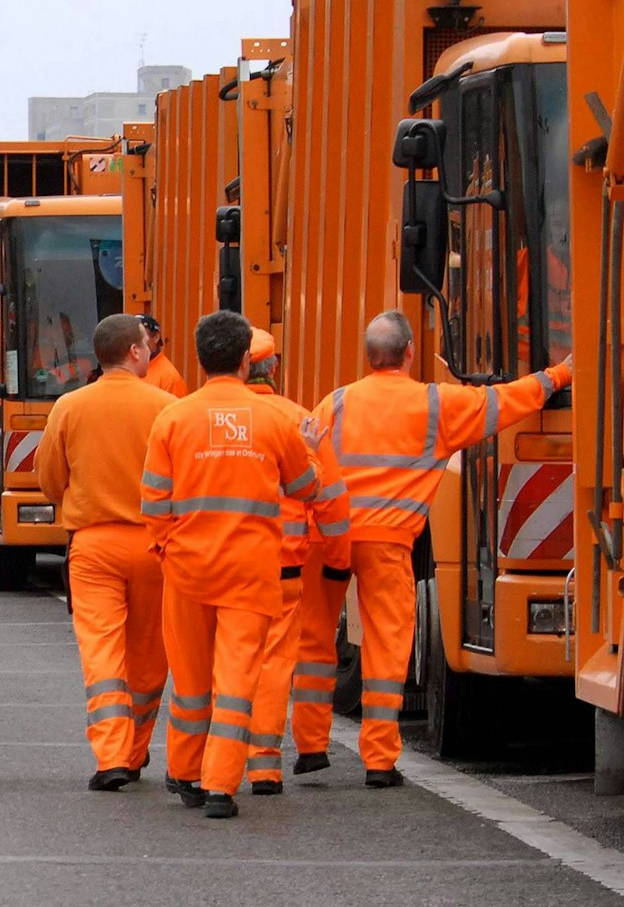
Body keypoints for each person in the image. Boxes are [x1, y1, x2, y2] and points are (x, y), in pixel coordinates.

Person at [304, 310, 570, 787]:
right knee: (387, 646)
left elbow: (311, 462)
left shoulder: (336, 402)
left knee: (315, 640)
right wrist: (560, 373)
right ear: (409, 352)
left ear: (369, 357)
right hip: (386, 541)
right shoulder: (435, 404)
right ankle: (379, 762)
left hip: (329, 537)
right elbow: (505, 401)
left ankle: (308, 746)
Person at [141, 311, 345, 819]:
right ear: (245, 360)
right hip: (254, 571)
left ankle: (185, 773)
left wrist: (168, 547)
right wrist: (314, 459)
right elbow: (306, 490)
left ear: (199, 358)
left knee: (190, 681)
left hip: (188, 569)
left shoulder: (173, 419)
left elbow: (153, 504)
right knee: (237, 680)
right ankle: (220, 787)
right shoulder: (275, 421)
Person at [36, 314, 176, 791]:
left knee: (102, 652)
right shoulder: (166, 407)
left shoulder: (70, 407)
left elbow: (50, 478)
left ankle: (111, 756)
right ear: (134, 352)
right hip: (156, 545)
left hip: (93, 546)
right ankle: (135, 752)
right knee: (148, 655)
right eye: (147, 345)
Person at [241, 330, 351, 795]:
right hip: (283, 567)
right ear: (274, 367)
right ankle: (267, 764)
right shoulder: (300, 422)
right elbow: (330, 500)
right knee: (276, 663)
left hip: (217, 566)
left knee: (222, 663)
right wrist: (339, 562)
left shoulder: (196, 416)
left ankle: (201, 767)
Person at [138, 314, 189, 398]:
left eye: (139, 336)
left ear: (156, 337)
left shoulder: (169, 378)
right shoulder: (127, 368)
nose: (133, 342)